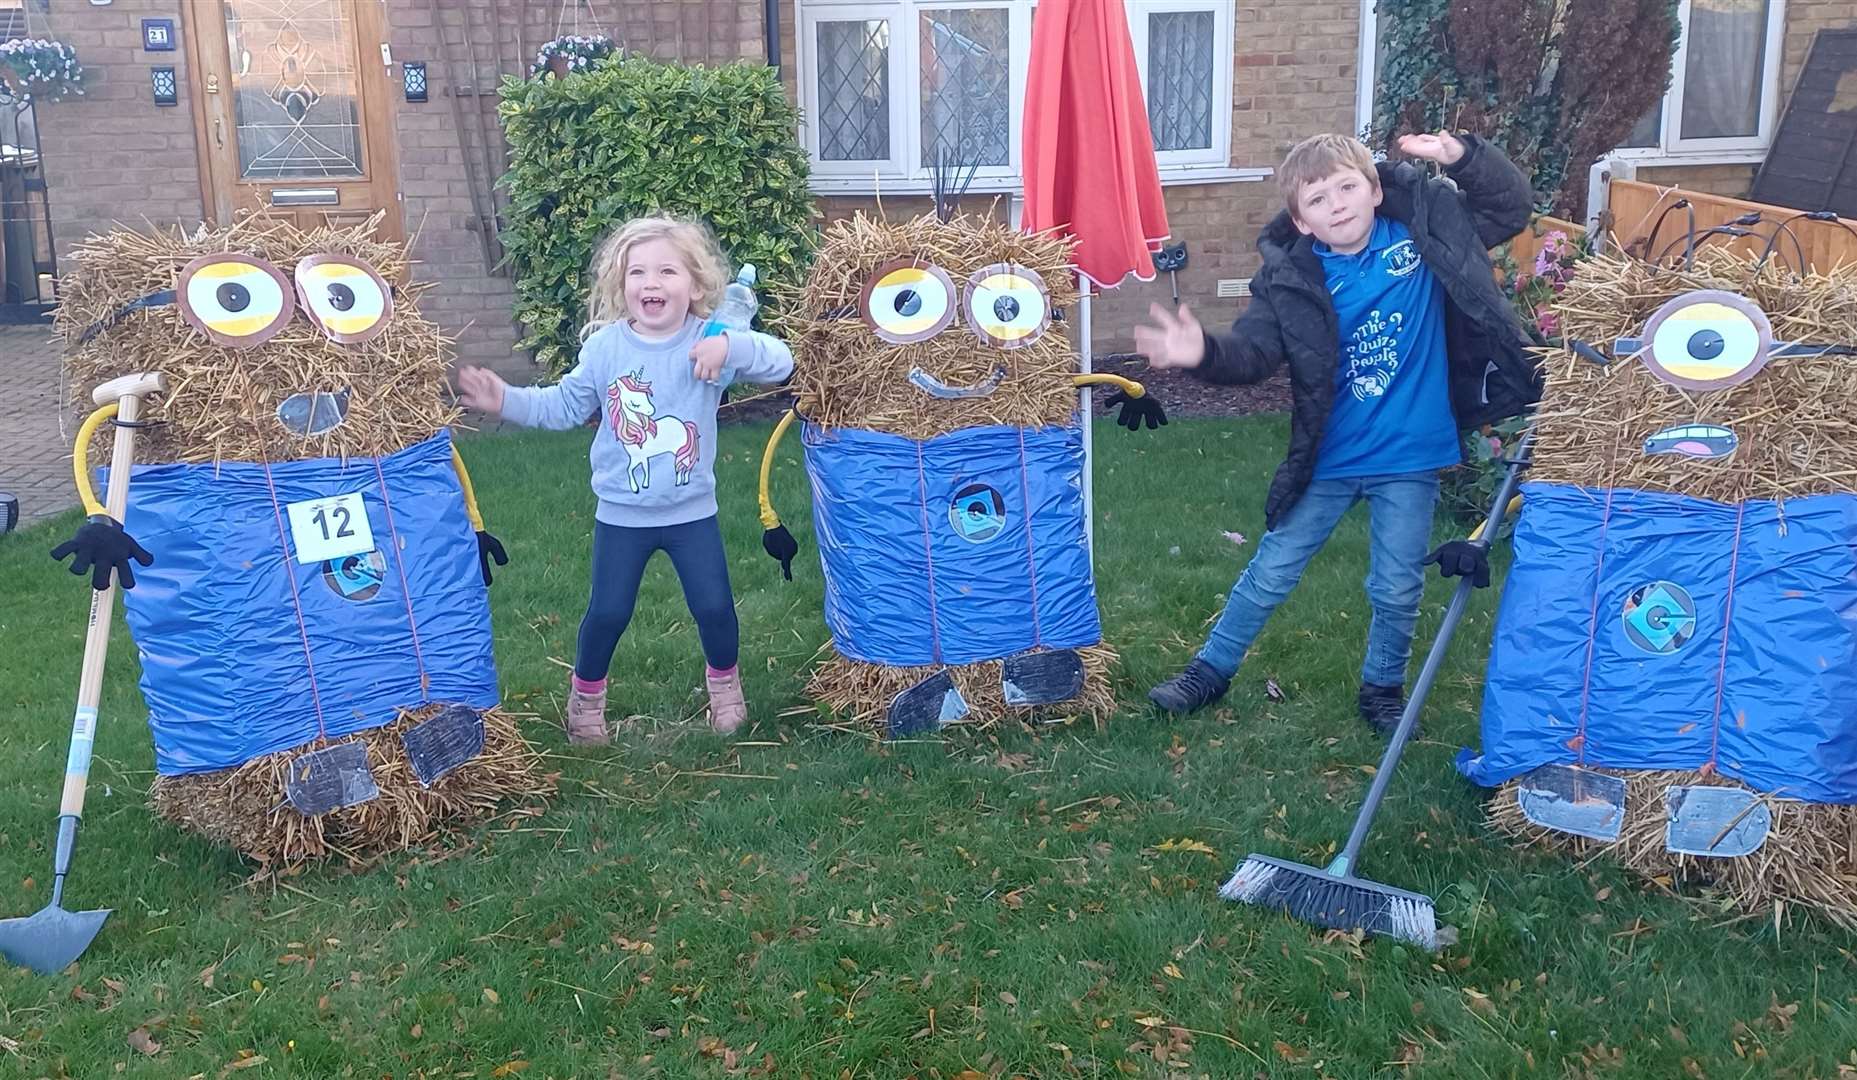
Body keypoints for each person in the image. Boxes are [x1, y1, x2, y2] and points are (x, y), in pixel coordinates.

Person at [1135, 130, 1540, 733]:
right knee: (1272, 570)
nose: (1338, 204)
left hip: (1410, 456)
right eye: (1318, 200)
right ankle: (1209, 671)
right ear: (1300, 222)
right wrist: (1203, 352)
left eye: (1347, 187)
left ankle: (1381, 689)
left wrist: (1464, 158)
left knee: (1397, 585)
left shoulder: (1429, 231)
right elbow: (1253, 353)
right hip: (1330, 456)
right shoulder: (1289, 280)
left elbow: (1509, 209)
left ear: (1375, 189)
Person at [456, 215, 794, 743]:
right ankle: (587, 700)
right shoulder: (607, 349)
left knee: (714, 607)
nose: (651, 283)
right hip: (622, 516)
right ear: (621, 285)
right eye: (638, 272)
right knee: (608, 611)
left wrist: (733, 348)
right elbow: (564, 405)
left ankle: (726, 689)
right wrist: (506, 401)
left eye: (667, 271)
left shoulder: (710, 341)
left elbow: (781, 362)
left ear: (697, 286)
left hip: (691, 514)